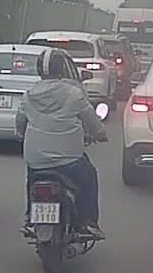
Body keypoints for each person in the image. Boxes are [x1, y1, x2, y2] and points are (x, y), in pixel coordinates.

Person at [16, 48, 108, 239]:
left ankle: (30, 217)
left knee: (33, 178)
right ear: (61, 69)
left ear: (39, 70)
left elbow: (20, 122)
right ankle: (88, 222)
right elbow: (91, 120)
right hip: (70, 160)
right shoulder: (74, 93)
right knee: (89, 176)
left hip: (37, 159)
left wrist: (21, 134)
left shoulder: (28, 95)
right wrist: (100, 134)